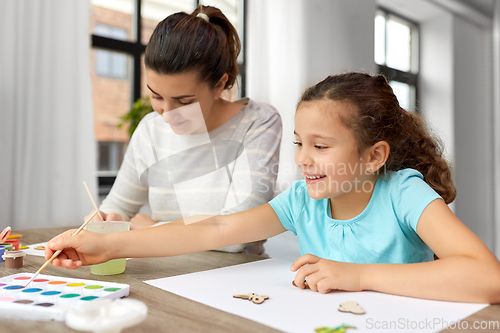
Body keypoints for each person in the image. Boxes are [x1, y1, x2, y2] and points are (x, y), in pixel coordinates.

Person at [47, 72, 500, 303]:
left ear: (374, 156)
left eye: (321, 146)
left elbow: (488, 278)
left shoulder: (404, 192)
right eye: (301, 143)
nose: (303, 158)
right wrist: (110, 246)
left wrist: (358, 276)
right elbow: (213, 230)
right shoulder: (304, 200)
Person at [91, 5, 282, 254]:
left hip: (235, 280)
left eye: (184, 101)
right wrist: (106, 219)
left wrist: (154, 229)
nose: (167, 113)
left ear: (219, 84)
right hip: (161, 274)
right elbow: (119, 207)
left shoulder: (258, 123)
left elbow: (237, 235)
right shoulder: (150, 129)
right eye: (156, 96)